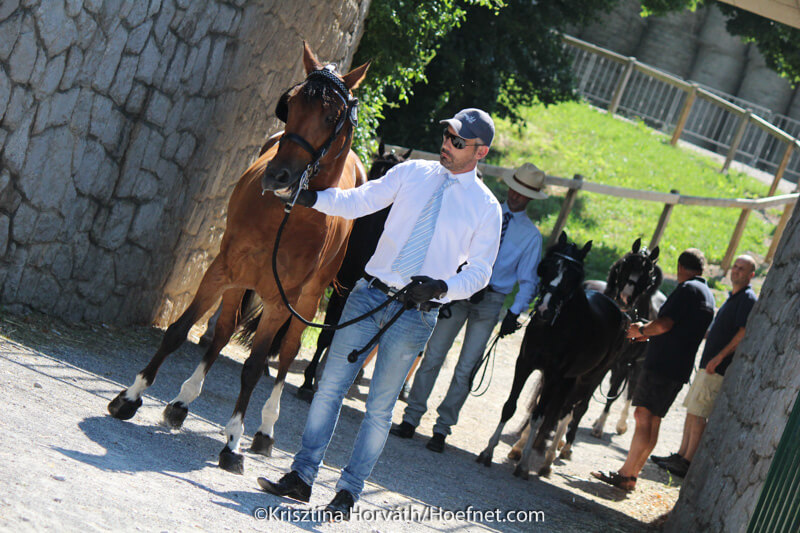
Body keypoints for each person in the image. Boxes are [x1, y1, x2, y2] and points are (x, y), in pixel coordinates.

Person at [257, 109, 502, 519]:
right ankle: (301, 476)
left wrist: (442, 288)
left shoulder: (486, 208)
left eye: (458, 141)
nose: (447, 143)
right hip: (368, 295)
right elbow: (359, 200)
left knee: (379, 409)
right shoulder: (412, 173)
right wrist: (310, 198)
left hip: (416, 314)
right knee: (328, 388)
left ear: (481, 152)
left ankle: (348, 493)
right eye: (447, 134)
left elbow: (480, 273)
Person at [389, 163, 546, 453]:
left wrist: (515, 312)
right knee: (434, 354)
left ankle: (442, 428)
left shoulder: (531, 236)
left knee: (467, 367)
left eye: (523, 193)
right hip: (460, 291)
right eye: (514, 189)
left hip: (491, 300)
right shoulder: (486, 212)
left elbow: (528, 280)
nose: (515, 195)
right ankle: (411, 417)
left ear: (531, 198)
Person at [591, 248, 715, 491]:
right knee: (653, 420)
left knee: (642, 417)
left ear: (680, 268)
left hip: (661, 365)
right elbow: (678, 328)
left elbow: (665, 324)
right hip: (678, 367)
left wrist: (641, 330)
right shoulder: (707, 295)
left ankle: (625, 474)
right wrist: (648, 330)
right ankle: (632, 475)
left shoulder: (687, 289)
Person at [652, 254, 757, 477]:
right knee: (692, 410)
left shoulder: (747, 299)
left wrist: (719, 357)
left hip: (717, 368)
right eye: (735, 266)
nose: (736, 271)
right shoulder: (733, 297)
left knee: (699, 413)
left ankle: (687, 461)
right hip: (707, 364)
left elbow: (743, 332)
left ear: (751, 275)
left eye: (742, 268)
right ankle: (680, 455)